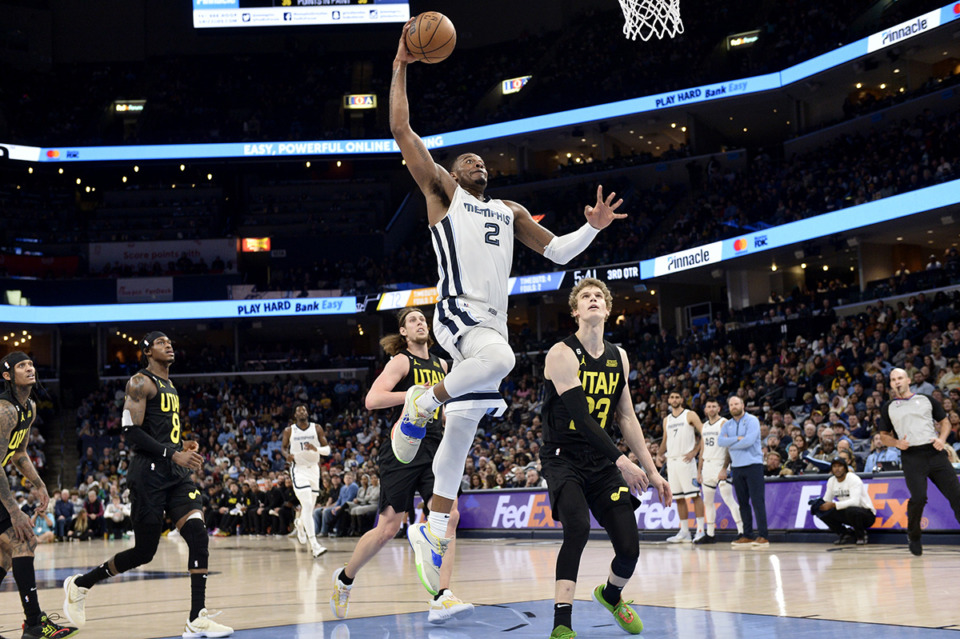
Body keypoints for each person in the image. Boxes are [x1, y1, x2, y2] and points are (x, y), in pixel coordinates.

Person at [389, 21, 626, 594]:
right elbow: (401, 128)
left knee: (465, 428)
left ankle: (434, 528)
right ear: (454, 170)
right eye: (468, 160)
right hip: (457, 312)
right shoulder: (443, 194)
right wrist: (400, 63)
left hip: (488, 323)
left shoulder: (509, 210)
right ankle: (421, 402)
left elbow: (560, 252)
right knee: (503, 360)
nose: (478, 165)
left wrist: (590, 230)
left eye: (483, 163)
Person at [63, 332, 233, 636]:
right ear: (147, 351)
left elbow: (163, 433)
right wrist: (173, 453)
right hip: (149, 474)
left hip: (175, 474)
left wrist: (183, 444)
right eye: (161, 342)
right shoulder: (140, 382)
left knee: (197, 534)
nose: (169, 345)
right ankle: (80, 584)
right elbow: (131, 432)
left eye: (171, 342)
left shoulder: (171, 385)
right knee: (144, 552)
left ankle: (197, 618)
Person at [541, 279, 671, 639]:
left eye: (599, 296)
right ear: (575, 311)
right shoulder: (561, 353)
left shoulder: (620, 357)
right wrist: (622, 461)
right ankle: (562, 624)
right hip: (563, 457)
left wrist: (652, 470)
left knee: (629, 548)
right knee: (578, 528)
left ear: (609, 309)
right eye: (586, 296)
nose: (593, 299)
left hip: (601, 461)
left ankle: (611, 595)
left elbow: (626, 418)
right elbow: (582, 418)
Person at [331, 307, 474, 625]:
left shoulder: (443, 365)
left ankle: (442, 597)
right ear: (404, 333)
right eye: (413, 320)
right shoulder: (402, 361)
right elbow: (372, 399)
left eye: (423, 319)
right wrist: (411, 394)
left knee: (449, 517)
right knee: (388, 527)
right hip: (403, 449)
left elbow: (447, 409)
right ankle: (345, 578)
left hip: (436, 446)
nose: (420, 322)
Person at [0, 352, 78, 637]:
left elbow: (18, 453)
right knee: (24, 540)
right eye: (21, 365)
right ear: (8, 376)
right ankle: (34, 623)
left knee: (6, 556)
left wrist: (40, 484)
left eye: (31, 363)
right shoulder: (4, 410)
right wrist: (14, 510)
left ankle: (34, 622)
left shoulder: (29, 407)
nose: (29, 367)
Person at [878, 367, 960, 556]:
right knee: (919, 498)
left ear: (908, 380)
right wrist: (897, 442)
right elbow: (883, 436)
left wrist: (942, 439)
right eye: (893, 379)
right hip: (912, 457)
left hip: (934, 452)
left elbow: (945, 422)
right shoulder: (889, 407)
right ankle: (914, 535)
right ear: (890, 384)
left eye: (900, 378)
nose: (897, 382)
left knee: (957, 496)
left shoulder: (926, 400)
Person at [718, 396, 769, 547]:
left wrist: (732, 441)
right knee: (742, 502)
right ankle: (748, 535)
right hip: (737, 467)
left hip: (753, 465)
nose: (734, 406)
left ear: (743, 405)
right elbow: (721, 442)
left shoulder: (752, 420)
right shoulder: (727, 425)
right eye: (731, 404)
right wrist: (738, 439)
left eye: (736, 404)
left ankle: (763, 536)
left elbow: (749, 441)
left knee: (757, 501)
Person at [281, 403, 330, 557]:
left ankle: (300, 524)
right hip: (299, 469)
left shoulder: (317, 428)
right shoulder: (289, 430)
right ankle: (315, 545)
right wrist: (286, 455)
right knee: (308, 504)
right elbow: (283, 448)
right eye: (298, 410)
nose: (302, 412)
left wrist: (317, 449)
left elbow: (327, 450)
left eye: (304, 410)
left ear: (307, 413)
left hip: (314, 469)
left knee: (309, 508)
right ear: (295, 415)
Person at [658, 390, 705, 543]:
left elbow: (705, 432)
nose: (674, 399)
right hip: (672, 461)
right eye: (672, 397)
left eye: (677, 396)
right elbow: (665, 440)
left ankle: (700, 530)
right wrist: (659, 454)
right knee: (678, 498)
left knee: (694, 496)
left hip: (686, 461)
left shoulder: (689, 415)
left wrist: (695, 451)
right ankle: (684, 532)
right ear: (668, 400)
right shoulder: (667, 419)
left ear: (682, 399)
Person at [695, 398, 743, 544]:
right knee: (707, 501)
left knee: (728, 499)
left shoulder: (724, 423)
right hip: (707, 466)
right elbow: (702, 449)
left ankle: (742, 530)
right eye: (708, 406)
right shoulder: (703, 426)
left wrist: (724, 467)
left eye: (714, 406)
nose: (711, 408)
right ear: (705, 410)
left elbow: (728, 446)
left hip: (720, 464)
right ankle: (710, 534)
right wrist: (699, 471)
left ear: (719, 408)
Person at [813, 457, 876, 545]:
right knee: (820, 510)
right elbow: (826, 500)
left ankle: (861, 535)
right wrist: (819, 505)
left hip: (866, 515)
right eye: (834, 466)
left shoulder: (853, 479)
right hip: (847, 513)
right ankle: (845, 534)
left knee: (852, 510)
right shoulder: (831, 481)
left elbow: (855, 502)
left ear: (845, 468)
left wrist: (834, 505)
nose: (837, 469)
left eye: (840, 466)